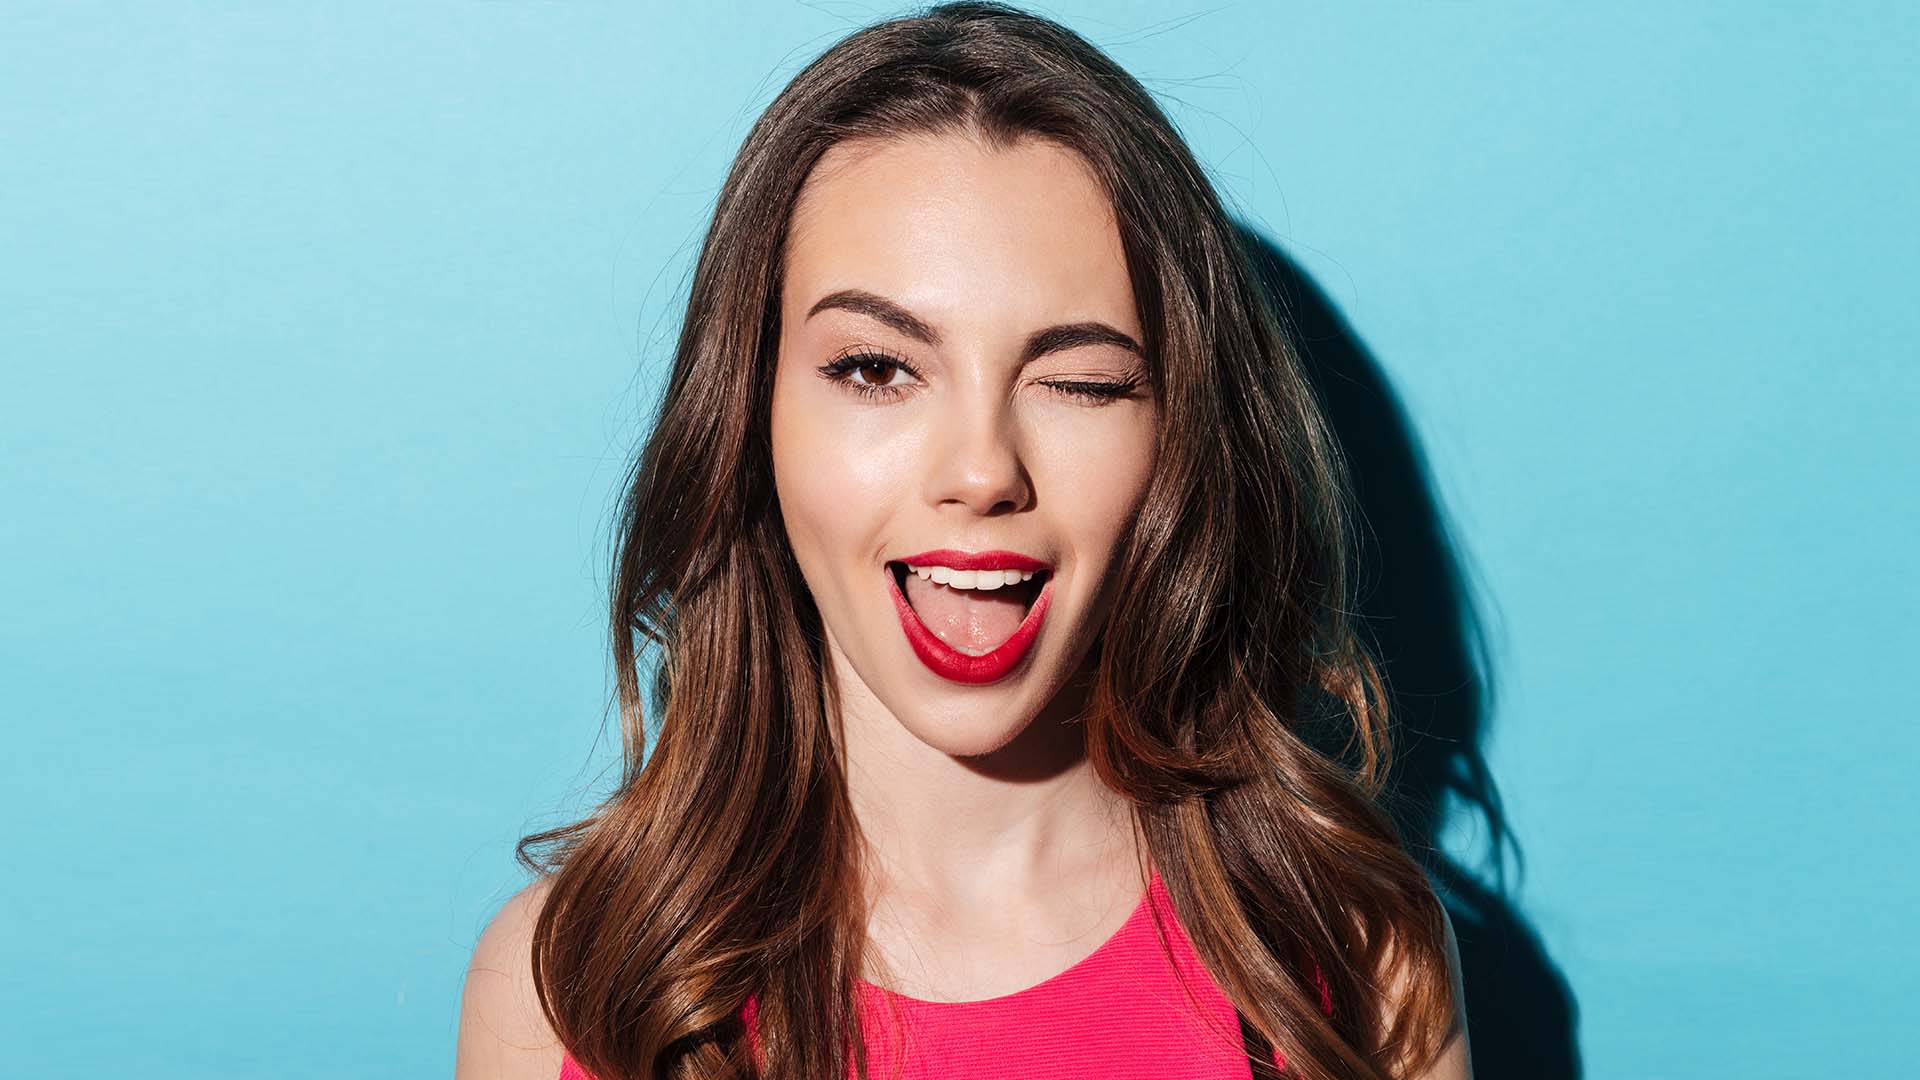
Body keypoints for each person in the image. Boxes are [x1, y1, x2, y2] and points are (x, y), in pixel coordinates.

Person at [456, 3, 1471, 1078]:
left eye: (1080, 382)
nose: (983, 470)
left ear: (1179, 440)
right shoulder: (570, 983)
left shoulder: (1349, 957)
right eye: (876, 368)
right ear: (751, 420)